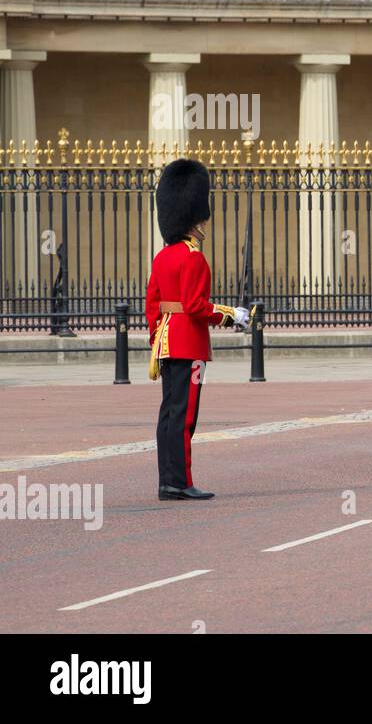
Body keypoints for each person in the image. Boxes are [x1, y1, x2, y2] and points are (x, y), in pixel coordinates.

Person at [146, 158, 247, 501]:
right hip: (188, 345)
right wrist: (231, 315)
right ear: (193, 218)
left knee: (168, 415)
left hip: (166, 343)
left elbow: (153, 307)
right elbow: (196, 307)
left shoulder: (162, 258)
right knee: (185, 417)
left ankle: (167, 480)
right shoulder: (192, 257)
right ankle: (181, 482)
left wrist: (156, 341)